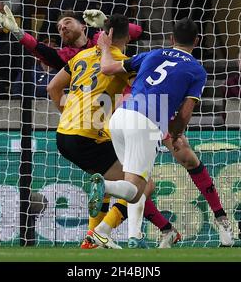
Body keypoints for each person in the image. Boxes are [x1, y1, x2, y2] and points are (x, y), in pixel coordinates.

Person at [88, 18, 234, 248]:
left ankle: (110, 231)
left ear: (171, 39)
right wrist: (176, 133)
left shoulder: (152, 54)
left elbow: (107, 67)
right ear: (198, 41)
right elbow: (185, 113)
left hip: (121, 115)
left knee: (162, 172)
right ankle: (133, 232)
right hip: (150, 121)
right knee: (137, 188)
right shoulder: (197, 70)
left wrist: (104, 46)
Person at [47, 14, 181, 249]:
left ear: (102, 34)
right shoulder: (121, 62)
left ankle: (95, 238)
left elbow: (53, 87)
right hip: (88, 136)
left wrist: (68, 113)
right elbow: (146, 93)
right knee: (143, 185)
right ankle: (99, 233)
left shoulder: (82, 55)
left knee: (113, 182)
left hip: (64, 134)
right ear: (128, 37)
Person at [0, 6, 143, 72]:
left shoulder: (101, 37)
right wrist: (17, 31)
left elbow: (137, 31)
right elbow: (39, 48)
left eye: (68, 22)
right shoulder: (66, 56)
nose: (62, 27)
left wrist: (106, 23)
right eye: (59, 27)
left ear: (83, 26)